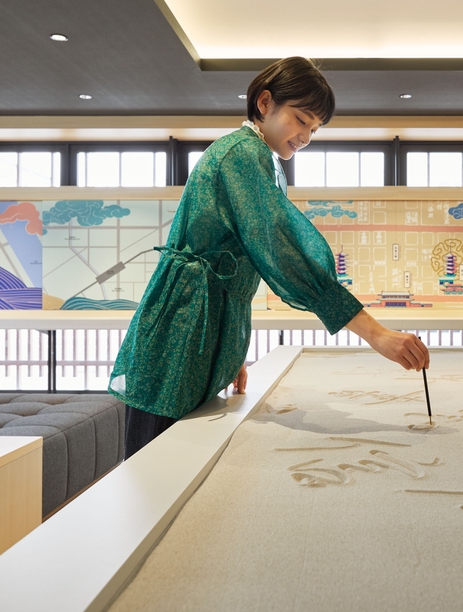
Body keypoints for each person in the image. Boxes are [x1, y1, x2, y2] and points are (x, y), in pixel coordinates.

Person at [109, 57, 429, 458]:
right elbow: (285, 250)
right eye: (301, 120)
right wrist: (376, 334)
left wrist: (228, 348)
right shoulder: (243, 154)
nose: (306, 137)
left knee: (177, 459)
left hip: (199, 327)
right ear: (264, 103)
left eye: (314, 129)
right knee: (156, 464)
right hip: (181, 329)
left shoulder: (259, 158)